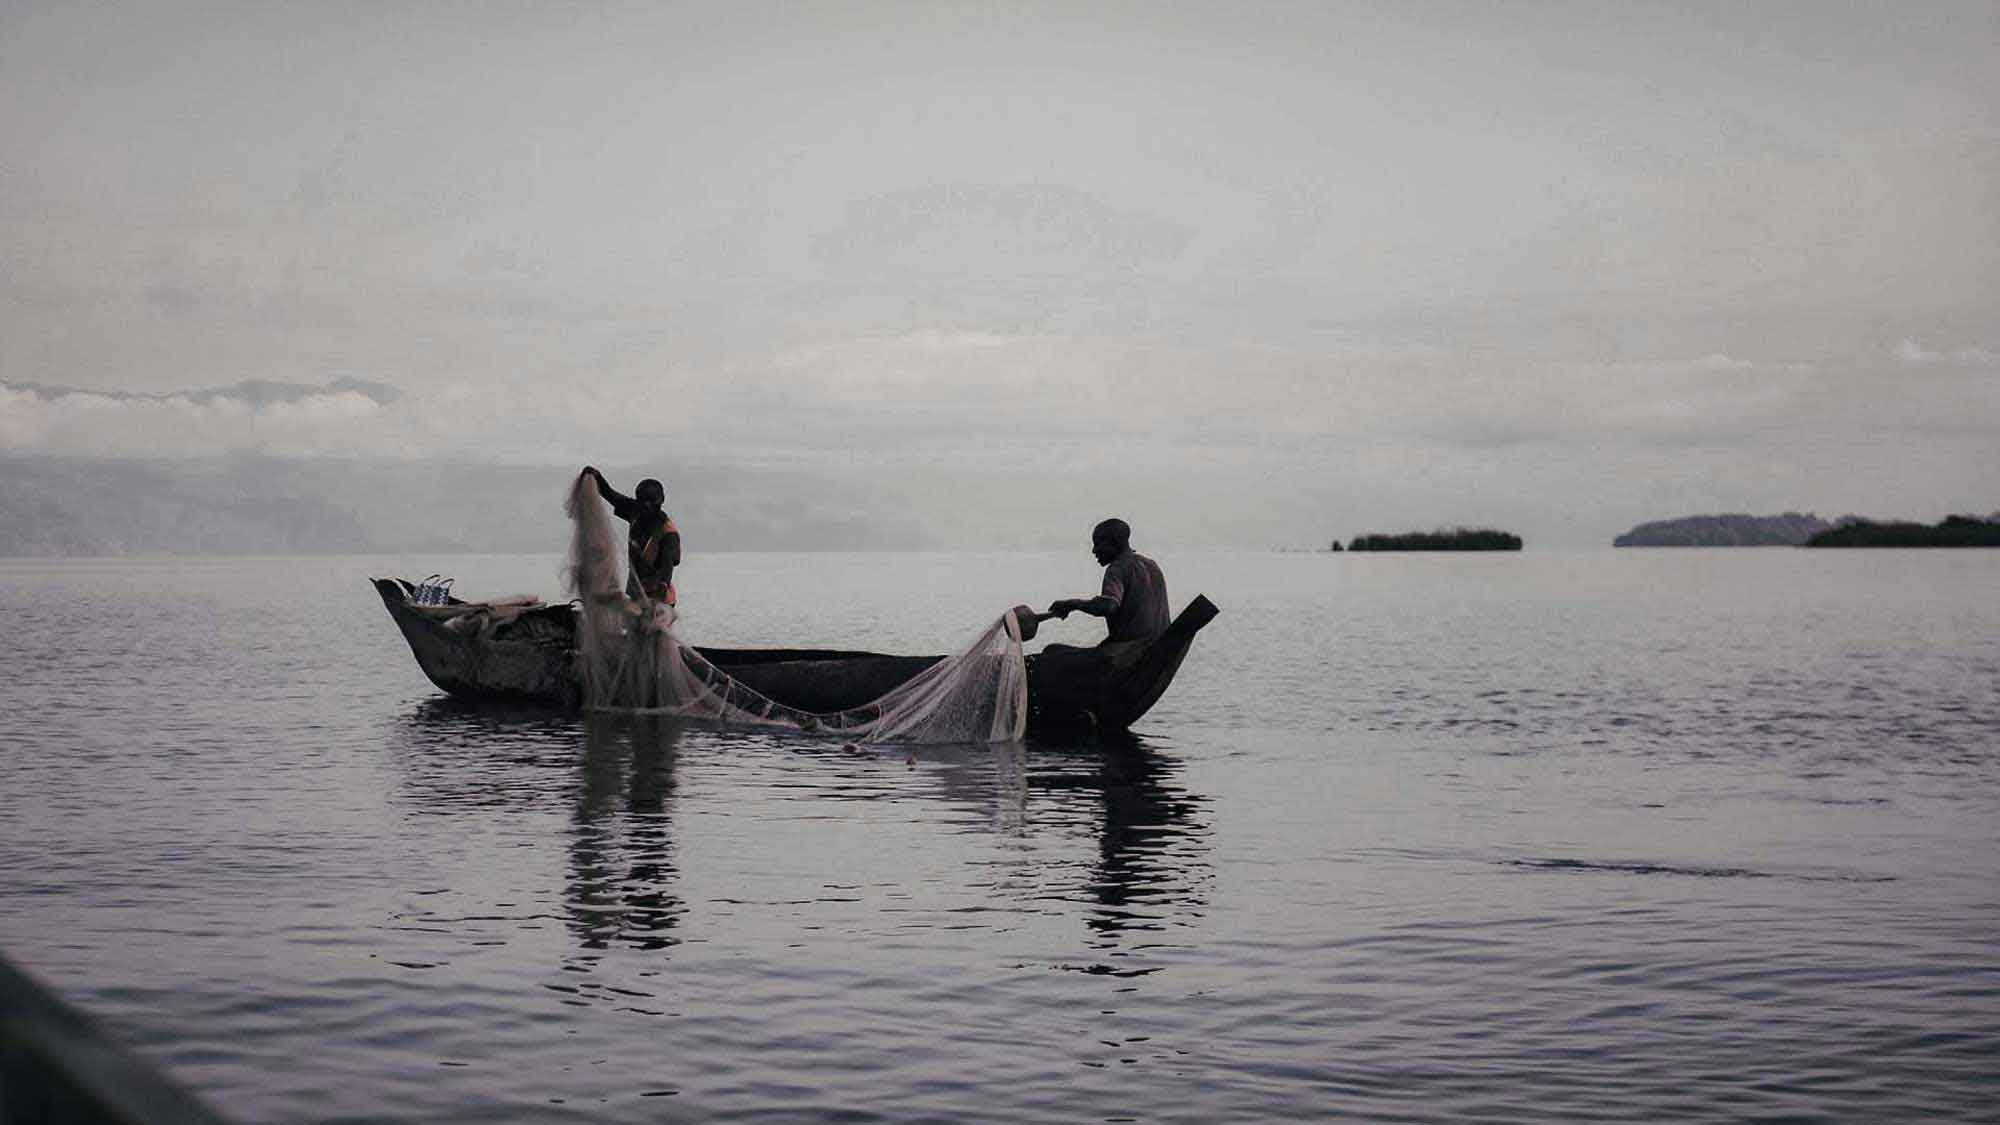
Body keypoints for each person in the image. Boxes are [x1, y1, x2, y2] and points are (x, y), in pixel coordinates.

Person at [1046, 518, 1169, 646]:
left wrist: (1072, 604)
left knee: (1052, 650)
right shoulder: (1151, 565)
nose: (1094, 550)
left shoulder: (1117, 569)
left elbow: (1109, 605)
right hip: (1160, 644)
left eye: (1098, 544)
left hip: (1131, 652)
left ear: (1114, 543)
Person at [582, 466, 680, 605]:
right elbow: (611, 495)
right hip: (636, 593)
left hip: (660, 598)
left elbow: (667, 565)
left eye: (652, 501)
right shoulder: (636, 512)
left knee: (651, 625)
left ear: (661, 500)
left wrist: (662, 586)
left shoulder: (668, 533)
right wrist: (596, 477)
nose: (647, 505)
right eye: (642, 500)